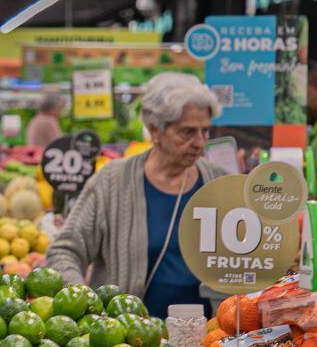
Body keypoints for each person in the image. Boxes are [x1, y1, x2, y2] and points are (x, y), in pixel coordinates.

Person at [47, 72, 225, 318]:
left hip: (208, 341)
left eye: (205, 131)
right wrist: (82, 302)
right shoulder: (112, 182)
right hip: (127, 345)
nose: (199, 142)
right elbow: (65, 250)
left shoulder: (220, 183)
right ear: (155, 130)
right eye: (187, 132)